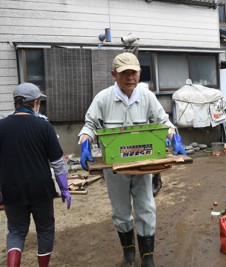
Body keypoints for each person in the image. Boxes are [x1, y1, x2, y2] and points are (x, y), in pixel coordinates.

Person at [78, 52, 182, 267]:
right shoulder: (103, 98)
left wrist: (174, 137)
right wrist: (86, 142)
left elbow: (163, 121)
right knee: (121, 211)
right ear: (113, 75)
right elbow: (89, 124)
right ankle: (128, 253)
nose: (129, 77)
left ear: (139, 73)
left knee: (146, 208)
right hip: (114, 167)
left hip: (143, 165)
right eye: (124, 73)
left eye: (133, 72)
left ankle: (147, 256)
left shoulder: (147, 97)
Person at [0, 82, 71, 267]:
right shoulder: (44, 126)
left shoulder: (1, 126)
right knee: (45, 229)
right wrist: (65, 189)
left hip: (11, 190)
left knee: (15, 231)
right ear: (36, 103)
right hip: (41, 189)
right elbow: (57, 163)